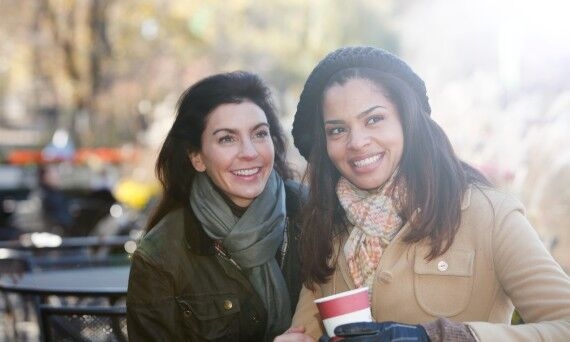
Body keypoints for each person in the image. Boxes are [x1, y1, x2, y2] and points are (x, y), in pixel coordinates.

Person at [276, 46, 570, 341]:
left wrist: (443, 337)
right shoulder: (327, 227)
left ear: (408, 120)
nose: (357, 142)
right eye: (337, 130)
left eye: (374, 119)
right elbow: (305, 333)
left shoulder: (490, 216)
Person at [127, 71, 305, 341]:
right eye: (227, 138)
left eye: (259, 134)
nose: (249, 152)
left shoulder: (311, 213)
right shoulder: (159, 258)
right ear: (197, 157)